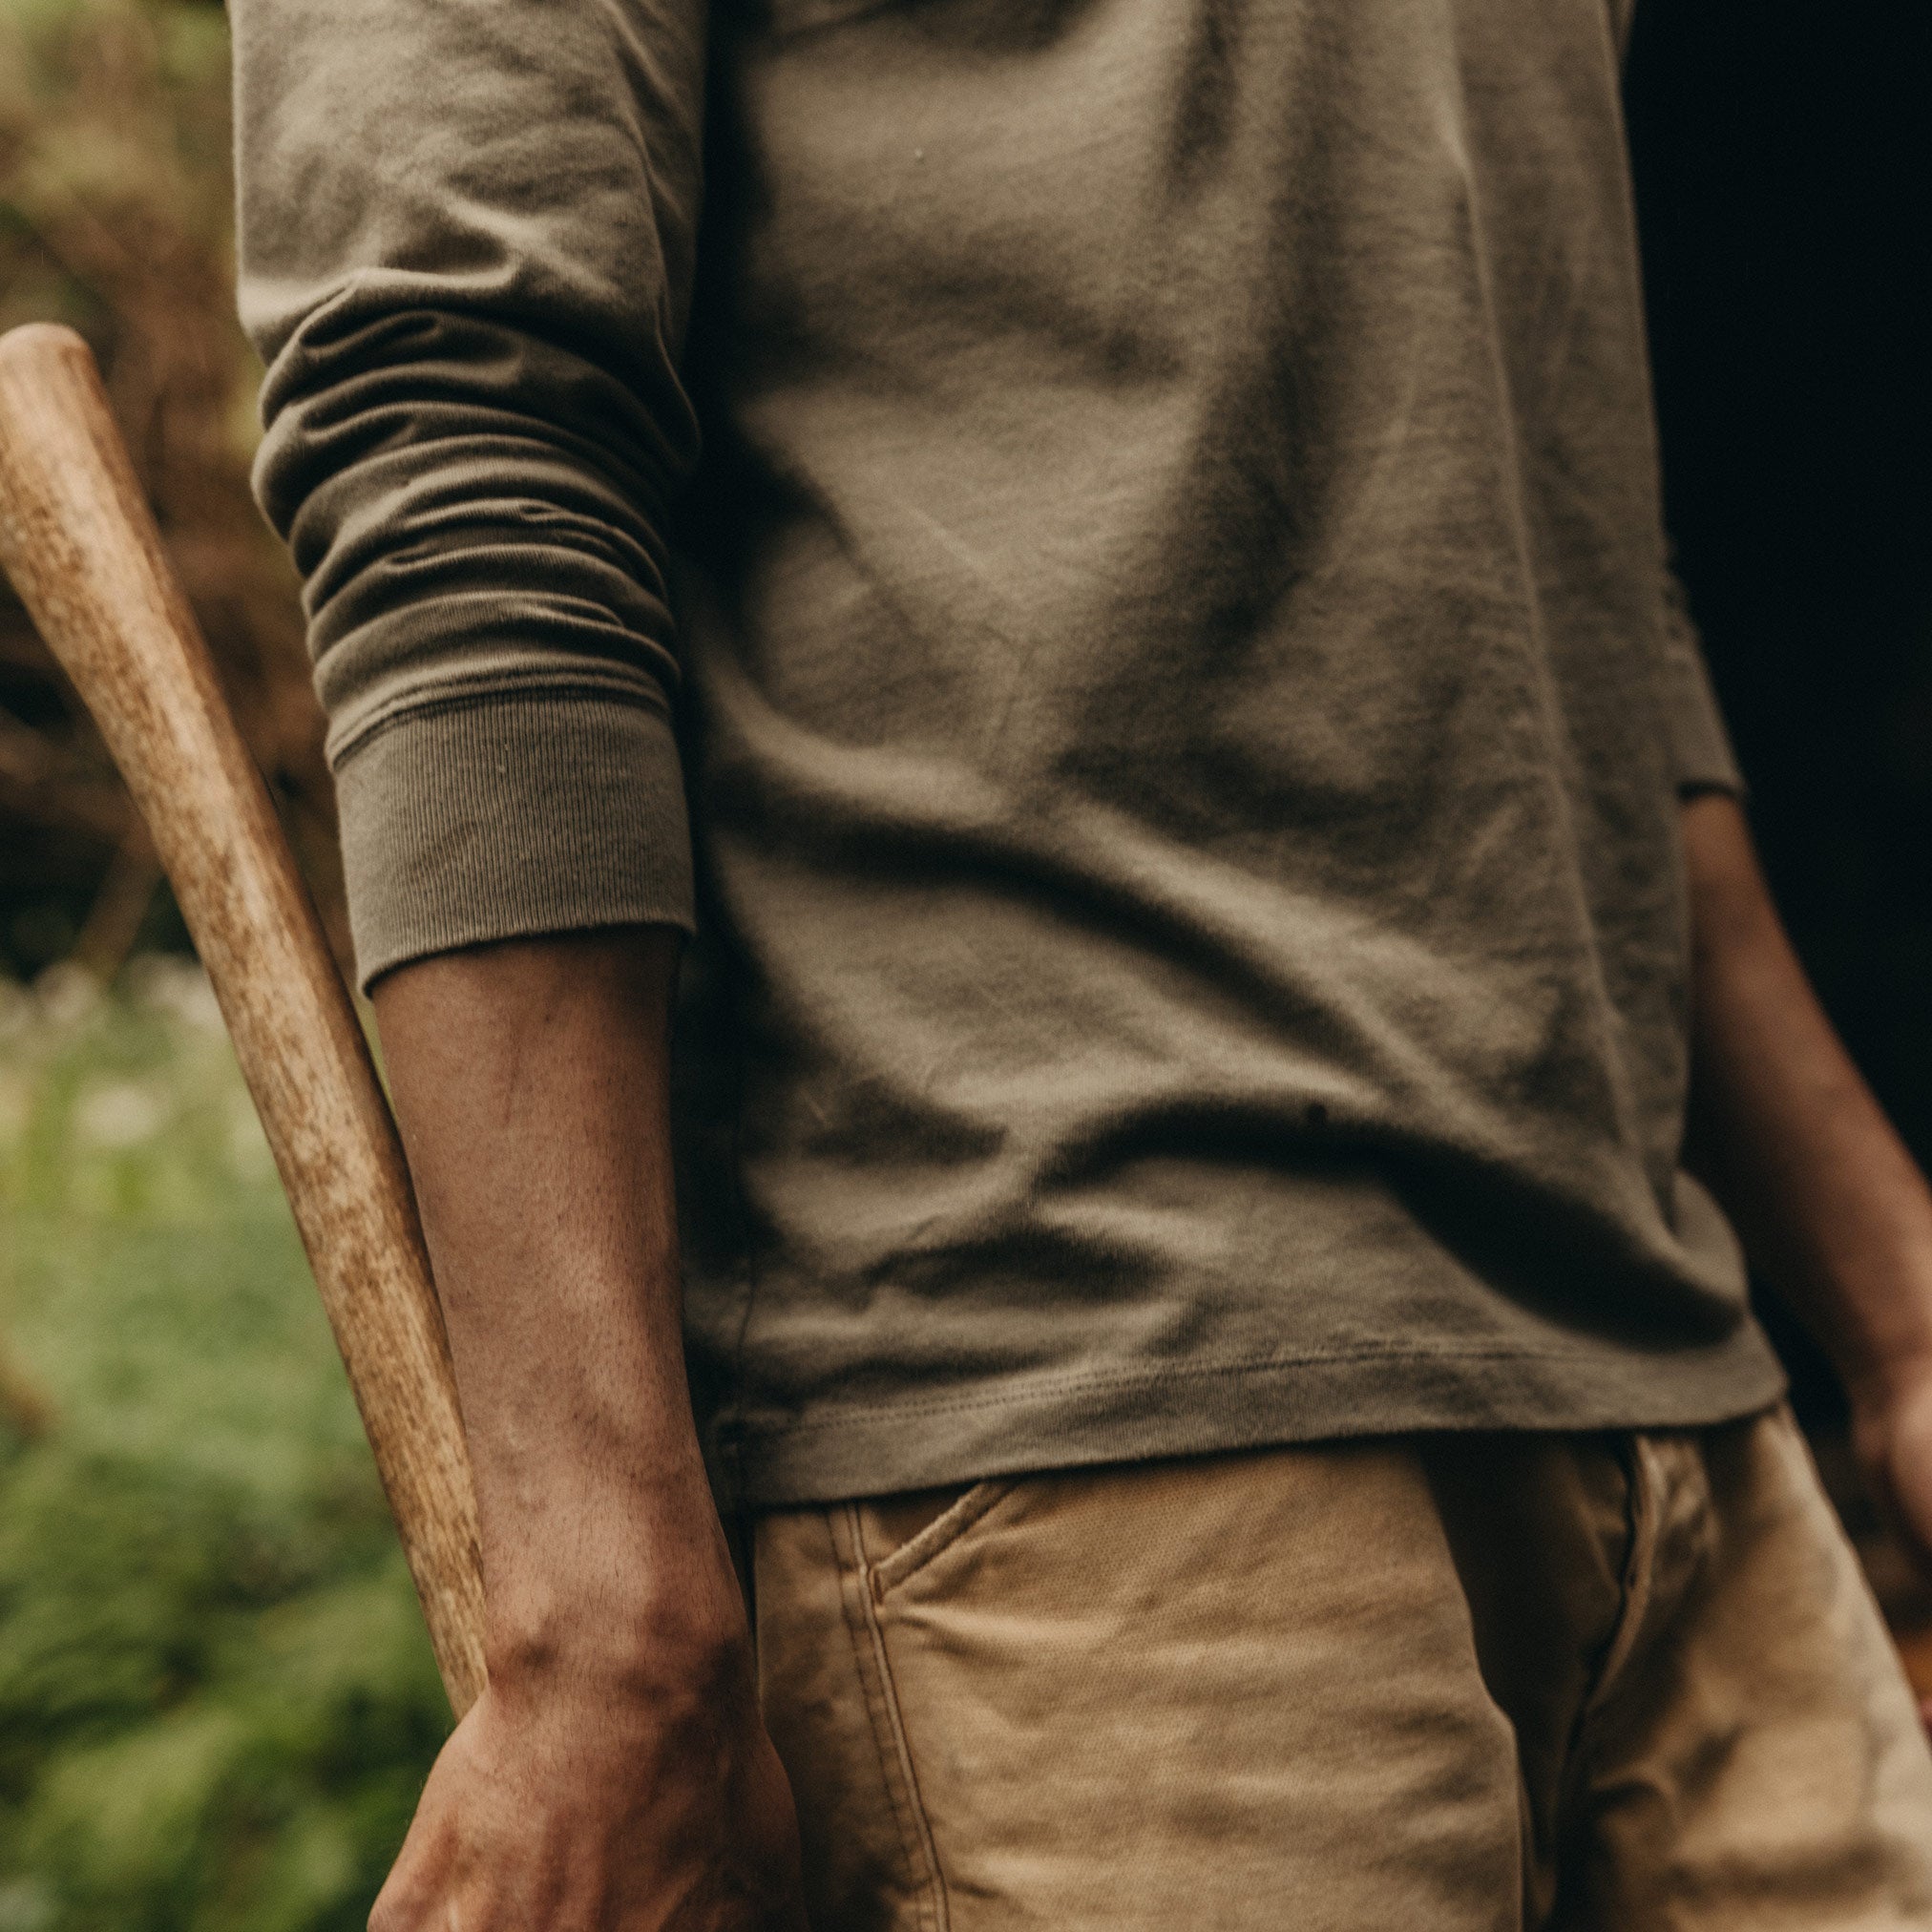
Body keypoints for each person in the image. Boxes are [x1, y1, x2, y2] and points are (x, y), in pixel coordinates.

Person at [232, 0, 1932, 1923]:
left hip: (1671, 1417)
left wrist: (1897, 1313)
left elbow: (1568, 541)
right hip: (1079, 1456)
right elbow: (465, 437)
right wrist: (602, 1621)